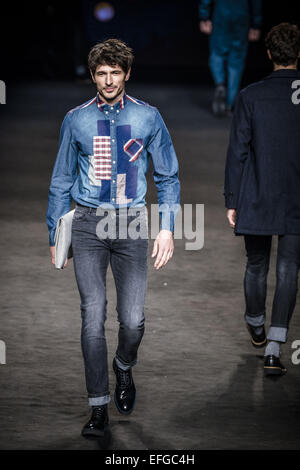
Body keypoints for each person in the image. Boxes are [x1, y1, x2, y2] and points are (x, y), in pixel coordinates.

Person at [46, 38, 180, 437]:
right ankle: (98, 405)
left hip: (132, 223)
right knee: (92, 317)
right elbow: (61, 179)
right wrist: (56, 230)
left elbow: (168, 176)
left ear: (127, 74)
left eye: (115, 72)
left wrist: (168, 227)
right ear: (93, 76)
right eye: (101, 73)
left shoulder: (149, 117)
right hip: (87, 223)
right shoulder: (75, 119)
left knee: (133, 321)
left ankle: (123, 366)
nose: (108, 80)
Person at [224, 23, 300, 376]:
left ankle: (256, 323)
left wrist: (231, 198)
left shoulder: (250, 96)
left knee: (256, 264)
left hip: (257, 192)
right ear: (298, 54)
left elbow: (237, 151)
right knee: (288, 269)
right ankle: (274, 347)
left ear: (269, 54)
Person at [199, 0, 262, 116]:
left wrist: (204, 16)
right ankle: (229, 104)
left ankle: (220, 84)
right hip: (241, 15)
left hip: (222, 13)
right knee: (236, 61)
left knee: (217, 53)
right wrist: (256, 24)